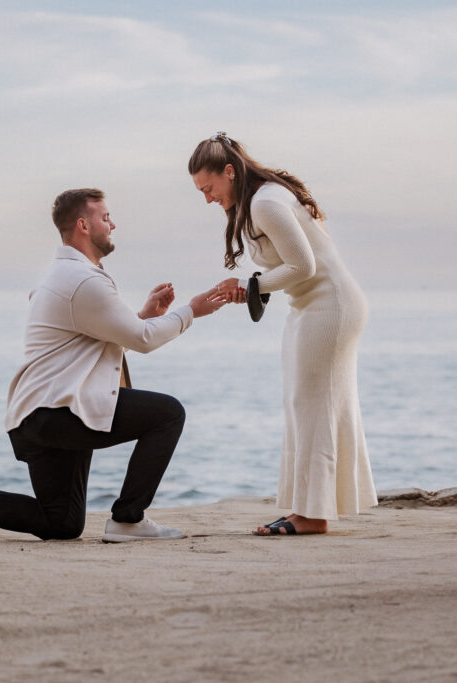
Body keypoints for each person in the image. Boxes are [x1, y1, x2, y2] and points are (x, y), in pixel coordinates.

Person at [0, 188, 226, 543]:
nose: (113, 223)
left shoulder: (66, 276)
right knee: (168, 414)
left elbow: (97, 338)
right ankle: (128, 520)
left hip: (41, 415)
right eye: (105, 217)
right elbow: (143, 339)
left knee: (62, 523)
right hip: (59, 411)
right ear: (83, 225)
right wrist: (191, 310)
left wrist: (143, 315)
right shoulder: (81, 280)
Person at [189, 133, 378, 535]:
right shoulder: (260, 199)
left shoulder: (266, 202)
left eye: (208, 188)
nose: (207, 198)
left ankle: (313, 516)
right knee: (301, 404)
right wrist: (251, 287)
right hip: (307, 305)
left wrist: (249, 283)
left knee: (313, 405)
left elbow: (304, 267)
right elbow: (291, 270)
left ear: (228, 172)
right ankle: (304, 508)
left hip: (330, 305)